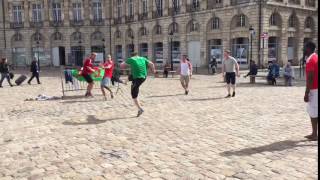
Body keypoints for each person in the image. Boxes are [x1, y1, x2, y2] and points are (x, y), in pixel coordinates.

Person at [120, 52, 156, 117]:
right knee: (132, 75)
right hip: (143, 77)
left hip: (137, 79)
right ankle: (125, 81)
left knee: (133, 95)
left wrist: (125, 62)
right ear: (137, 55)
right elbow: (152, 64)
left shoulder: (131, 59)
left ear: (132, 56)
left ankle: (140, 109)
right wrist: (153, 70)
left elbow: (122, 65)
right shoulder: (143, 58)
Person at [303, 41, 318, 141]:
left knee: (313, 111)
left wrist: (306, 93)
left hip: (314, 89)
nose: (303, 49)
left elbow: (310, 78)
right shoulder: (316, 57)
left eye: (305, 48)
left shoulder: (310, 60)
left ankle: (314, 134)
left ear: (308, 48)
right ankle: (314, 133)